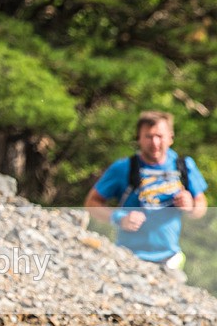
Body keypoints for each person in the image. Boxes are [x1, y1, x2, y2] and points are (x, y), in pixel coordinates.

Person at [84, 110, 207, 270]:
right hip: (127, 258)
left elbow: (201, 206)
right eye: (148, 136)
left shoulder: (184, 166)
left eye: (160, 136)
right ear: (139, 138)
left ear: (170, 137)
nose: (154, 143)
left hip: (170, 259)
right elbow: (91, 203)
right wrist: (119, 218)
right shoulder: (123, 168)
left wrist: (190, 206)